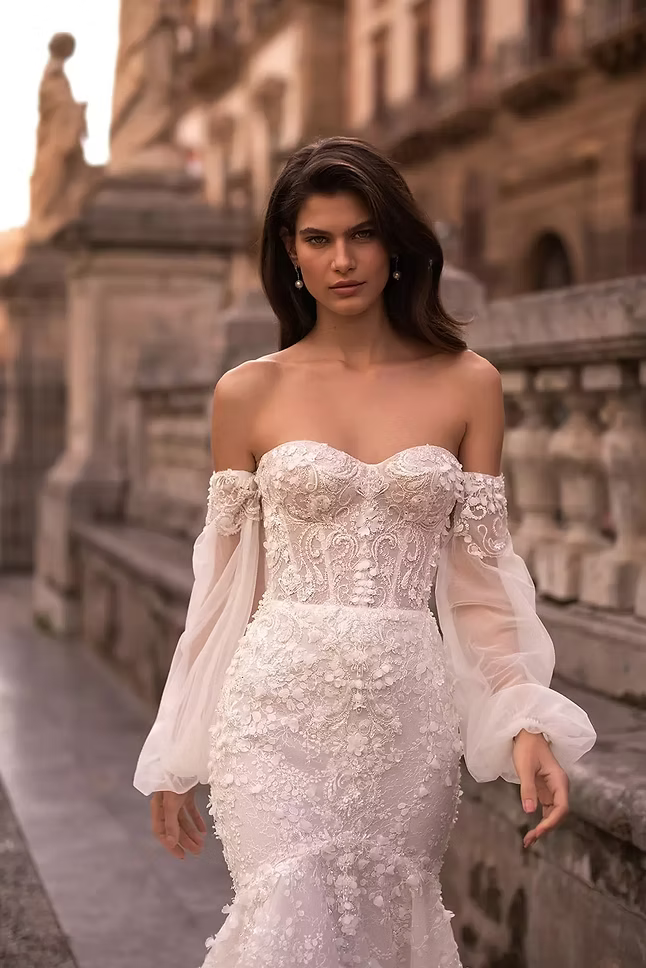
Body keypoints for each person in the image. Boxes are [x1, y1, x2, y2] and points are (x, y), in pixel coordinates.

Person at [133, 137, 597, 967]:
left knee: (383, 930)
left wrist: (523, 717)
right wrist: (177, 748)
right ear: (290, 252)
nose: (342, 259)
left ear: (396, 244)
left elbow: (483, 582)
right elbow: (222, 590)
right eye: (318, 238)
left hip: (405, 725)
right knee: (288, 928)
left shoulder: (468, 384)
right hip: (273, 715)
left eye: (363, 234)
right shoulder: (247, 392)